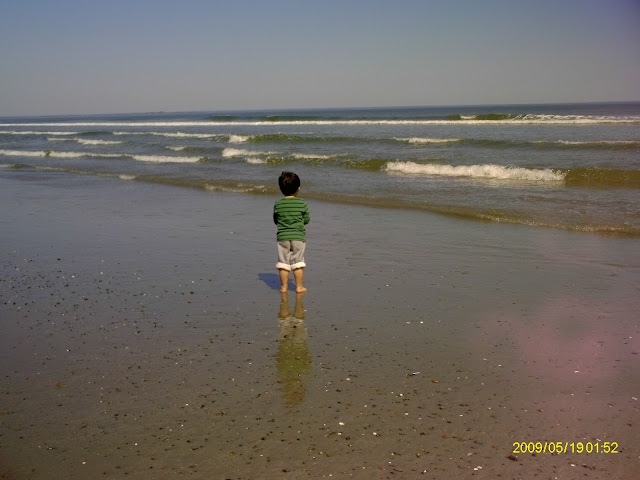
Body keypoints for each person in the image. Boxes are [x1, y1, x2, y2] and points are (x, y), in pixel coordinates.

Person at [273, 171, 310, 293]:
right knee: (298, 262)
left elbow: (276, 220)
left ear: (281, 189)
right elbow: (306, 220)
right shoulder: (302, 203)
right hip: (298, 236)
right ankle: (299, 287)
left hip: (282, 236)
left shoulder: (278, 204)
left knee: (283, 263)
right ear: (298, 188)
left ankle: (284, 287)